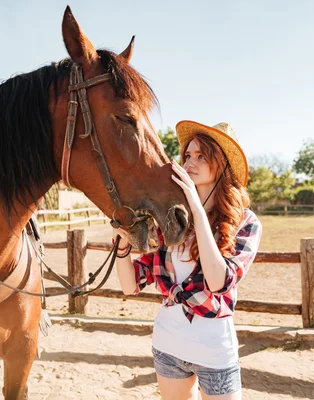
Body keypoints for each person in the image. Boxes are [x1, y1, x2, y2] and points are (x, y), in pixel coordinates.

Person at [114, 120, 262, 399]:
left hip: (215, 352)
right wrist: (122, 246)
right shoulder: (173, 219)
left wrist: (196, 205)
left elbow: (219, 282)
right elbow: (129, 285)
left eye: (201, 156)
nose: (190, 162)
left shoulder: (246, 223)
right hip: (167, 345)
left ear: (222, 164)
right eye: (188, 156)